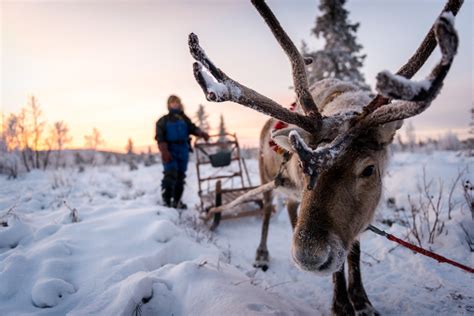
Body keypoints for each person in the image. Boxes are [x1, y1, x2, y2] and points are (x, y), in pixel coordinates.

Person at [155, 95, 209, 208]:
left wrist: (201, 133)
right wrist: (164, 151)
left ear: (179, 104)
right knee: (170, 174)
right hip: (170, 150)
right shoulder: (163, 121)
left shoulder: (184, 118)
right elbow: (160, 137)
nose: (175, 104)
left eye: (176, 102)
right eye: (172, 103)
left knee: (180, 176)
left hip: (183, 149)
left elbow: (192, 128)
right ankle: (167, 202)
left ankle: (177, 201)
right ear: (169, 105)